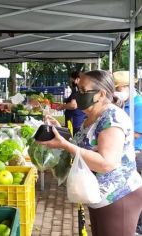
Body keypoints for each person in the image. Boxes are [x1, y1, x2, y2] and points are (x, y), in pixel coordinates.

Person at [40, 70, 142, 236]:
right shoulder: (92, 116)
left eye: (82, 90)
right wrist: (59, 131)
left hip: (118, 196)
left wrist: (66, 145)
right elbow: (86, 146)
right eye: (77, 88)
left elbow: (106, 163)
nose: (78, 94)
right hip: (98, 196)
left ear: (100, 94)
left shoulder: (112, 118)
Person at [112, 71, 142, 234]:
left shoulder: (139, 105)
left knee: (133, 190)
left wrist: (112, 134)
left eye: (118, 88)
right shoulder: (124, 103)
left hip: (137, 153)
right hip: (125, 151)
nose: (116, 92)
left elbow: (137, 132)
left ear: (127, 87)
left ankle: (137, 226)